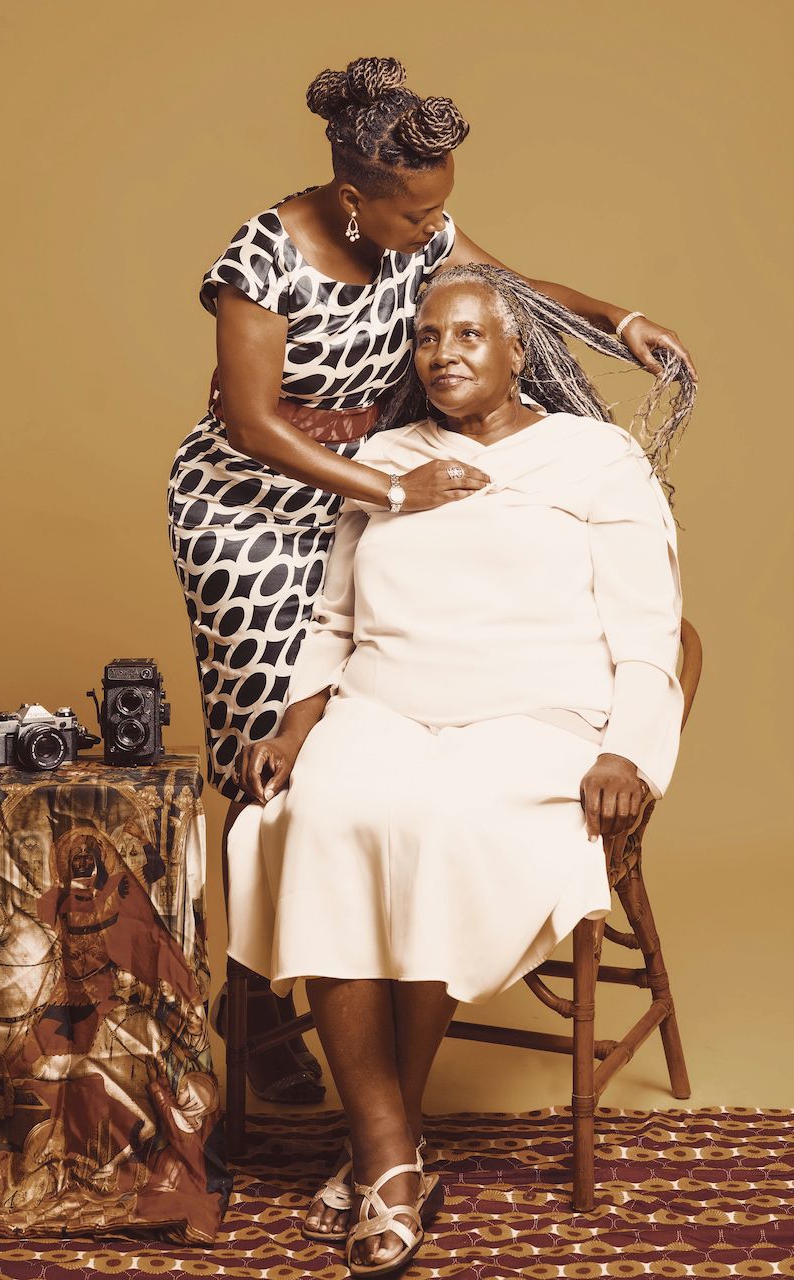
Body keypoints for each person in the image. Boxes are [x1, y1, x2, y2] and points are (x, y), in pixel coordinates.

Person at [168, 54, 696, 1104]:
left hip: (384, 478)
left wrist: (615, 319)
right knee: (270, 737)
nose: (432, 232)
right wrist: (389, 487)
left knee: (353, 723)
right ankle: (260, 1009)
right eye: (414, 220)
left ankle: (358, 1023)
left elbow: (504, 294)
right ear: (358, 201)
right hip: (255, 502)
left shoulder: (415, 224)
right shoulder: (263, 255)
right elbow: (250, 418)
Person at [227, 263, 692, 1275]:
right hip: (385, 703)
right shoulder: (389, 459)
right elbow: (335, 620)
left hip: (535, 714)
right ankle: (391, 1146)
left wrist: (628, 749)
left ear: (519, 350)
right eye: (428, 339)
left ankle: (381, 1150)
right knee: (325, 815)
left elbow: (651, 629)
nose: (443, 356)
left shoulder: (595, 458)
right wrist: (296, 725)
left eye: (469, 337)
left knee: (434, 825)